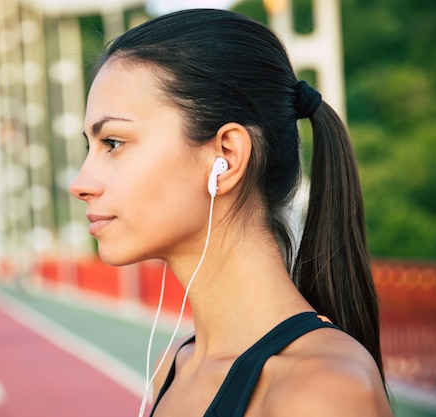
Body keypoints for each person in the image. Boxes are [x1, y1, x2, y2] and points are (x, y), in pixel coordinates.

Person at [70, 8, 393, 417]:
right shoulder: (173, 367)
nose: (80, 183)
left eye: (113, 142)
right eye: (90, 147)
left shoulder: (320, 393)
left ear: (226, 156)